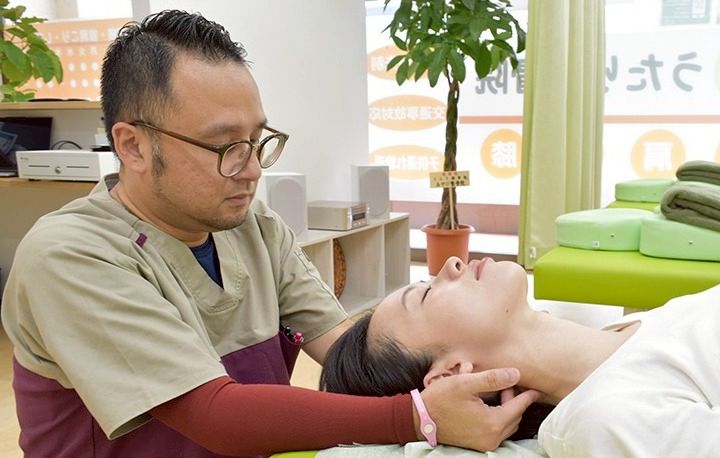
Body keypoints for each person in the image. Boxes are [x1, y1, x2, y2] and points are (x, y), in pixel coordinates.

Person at [0, 10, 541, 457]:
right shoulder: (70, 255)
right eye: (225, 147)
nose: (254, 169)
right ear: (133, 146)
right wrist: (417, 415)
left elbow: (348, 352)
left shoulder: (256, 229)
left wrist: (480, 373)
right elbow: (213, 416)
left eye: (258, 141)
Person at [321, 255, 720, 457]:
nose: (451, 264)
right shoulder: (607, 418)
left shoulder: (632, 329)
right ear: (451, 375)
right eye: (426, 293)